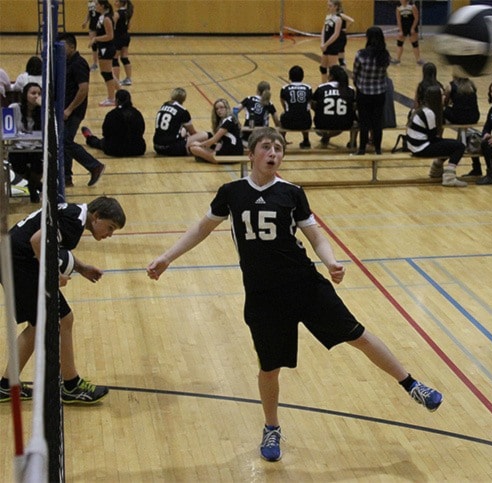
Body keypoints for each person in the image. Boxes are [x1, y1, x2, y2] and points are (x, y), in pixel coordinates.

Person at [147, 127, 443, 462]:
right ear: (251, 153)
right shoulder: (231, 192)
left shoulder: (292, 193)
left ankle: (411, 384)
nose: (273, 153)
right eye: (266, 147)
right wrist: (167, 257)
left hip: (304, 286)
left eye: (278, 148)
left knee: (357, 335)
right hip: (262, 296)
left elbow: (315, 236)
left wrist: (330, 261)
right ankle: (271, 427)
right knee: (270, 368)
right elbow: (202, 228)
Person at [0, 196, 126, 405]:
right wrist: (53, 274)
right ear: (96, 217)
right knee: (61, 320)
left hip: (13, 259)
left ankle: (8, 385)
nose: (110, 235)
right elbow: (37, 240)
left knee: (43, 324)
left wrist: (82, 267)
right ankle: (71, 385)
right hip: (18, 264)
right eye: (110, 227)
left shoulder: (74, 213)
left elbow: (50, 243)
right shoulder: (74, 222)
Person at [59, 32, 106, 187]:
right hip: (66, 109)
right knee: (64, 142)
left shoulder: (78, 63)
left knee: (65, 141)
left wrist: (69, 109)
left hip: (74, 111)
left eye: (63, 47)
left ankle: (94, 166)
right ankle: (67, 178)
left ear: (72, 47)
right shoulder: (66, 62)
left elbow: (83, 89)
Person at [407, 85, 466, 187]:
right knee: (459, 146)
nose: (444, 97)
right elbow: (433, 136)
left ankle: (436, 169)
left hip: (414, 146)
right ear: (436, 97)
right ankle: (449, 177)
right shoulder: (429, 113)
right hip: (421, 148)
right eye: (442, 95)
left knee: (449, 144)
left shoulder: (420, 109)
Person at [353, 26, 390, 155]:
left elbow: (355, 73)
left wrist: (358, 84)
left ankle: (362, 148)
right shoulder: (385, 55)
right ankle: (378, 149)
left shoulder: (361, 54)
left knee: (364, 121)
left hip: (364, 92)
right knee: (377, 122)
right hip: (379, 92)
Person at [81, 88, 146, 157]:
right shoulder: (137, 113)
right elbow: (142, 130)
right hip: (137, 149)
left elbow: (105, 133)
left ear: (117, 100)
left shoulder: (112, 114)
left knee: (99, 142)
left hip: (114, 150)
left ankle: (89, 137)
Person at [8, 82, 43, 202]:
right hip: (19, 147)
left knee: (38, 165)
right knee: (18, 164)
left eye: (39, 94)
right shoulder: (14, 108)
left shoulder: (43, 111)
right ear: (25, 95)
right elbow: (7, 129)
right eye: (33, 93)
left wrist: (44, 108)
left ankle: (33, 188)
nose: (36, 96)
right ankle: (36, 186)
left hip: (37, 146)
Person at [153, 87, 208, 156]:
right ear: (184, 99)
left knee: (184, 129)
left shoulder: (164, 105)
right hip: (172, 148)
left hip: (157, 147)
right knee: (205, 134)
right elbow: (193, 133)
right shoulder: (183, 111)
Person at [189, 98, 244, 163]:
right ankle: (209, 157)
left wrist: (200, 145)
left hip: (232, 152)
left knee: (194, 148)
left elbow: (214, 140)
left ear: (227, 108)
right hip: (227, 148)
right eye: (216, 109)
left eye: (221, 107)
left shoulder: (229, 120)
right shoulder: (223, 121)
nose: (219, 110)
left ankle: (209, 158)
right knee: (193, 145)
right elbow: (220, 142)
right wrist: (215, 150)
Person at [312, 64, 356, 146]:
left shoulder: (322, 87)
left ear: (331, 76)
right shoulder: (350, 89)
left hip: (321, 123)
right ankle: (353, 142)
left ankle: (326, 135)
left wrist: (319, 110)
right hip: (345, 124)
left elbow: (312, 103)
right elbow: (354, 106)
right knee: (354, 118)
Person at [91, 0, 119, 107]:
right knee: (108, 73)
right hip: (103, 48)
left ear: (102, 6)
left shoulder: (107, 18)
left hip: (107, 48)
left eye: (97, 4)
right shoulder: (102, 17)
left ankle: (111, 98)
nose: (95, 6)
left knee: (106, 74)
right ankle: (121, 93)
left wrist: (95, 38)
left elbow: (110, 36)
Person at [279, 65, 313, 148]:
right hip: (305, 123)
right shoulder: (308, 88)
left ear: (290, 76)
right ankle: (306, 140)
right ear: (302, 76)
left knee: (283, 114)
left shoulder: (285, 88)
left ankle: (282, 139)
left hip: (288, 122)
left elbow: (283, 103)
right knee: (305, 113)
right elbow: (310, 103)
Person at [238, 81, 280, 147]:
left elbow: (235, 110)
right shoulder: (269, 104)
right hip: (263, 136)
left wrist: (237, 123)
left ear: (257, 90)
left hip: (247, 135)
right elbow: (277, 121)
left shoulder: (249, 99)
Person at [391, 0, 423, 65]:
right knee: (399, 43)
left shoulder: (412, 6)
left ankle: (418, 60)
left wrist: (413, 28)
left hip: (411, 27)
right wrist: (400, 30)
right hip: (403, 27)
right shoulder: (398, 8)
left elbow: (416, 18)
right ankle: (397, 59)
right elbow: (398, 20)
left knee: (415, 44)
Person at [320, 0, 344, 83]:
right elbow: (323, 30)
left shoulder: (338, 19)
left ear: (336, 7)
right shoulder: (328, 16)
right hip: (325, 45)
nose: (328, 7)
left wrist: (326, 44)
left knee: (332, 70)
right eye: (328, 5)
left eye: (330, 6)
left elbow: (336, 34)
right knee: (323, 68)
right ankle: (323, 85)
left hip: (333, 45)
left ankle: (332, 87)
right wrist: (322, 43)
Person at [112, 0, 134, 86]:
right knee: (124, 57)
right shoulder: (128, 12)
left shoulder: (117, 13)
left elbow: (112, 25)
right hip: (126, 36)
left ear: (121, 3)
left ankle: (116, 81)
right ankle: (128, 78)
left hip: (118, 37)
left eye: (116, 1)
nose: (114, 2)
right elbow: (128, 26)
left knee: (115, 58)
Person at [82, 0, 99, 71]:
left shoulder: (99, 2)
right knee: (93, 45)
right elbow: (89, 13)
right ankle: (95, 63)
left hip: (100, 25)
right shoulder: (89, 3)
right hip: (92, 25)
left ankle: (106, 61)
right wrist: (85, 22)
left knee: (102, 44)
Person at [335, 2, 354, 67]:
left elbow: (351, 20)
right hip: (336, 35)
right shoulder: (333, 15)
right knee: (337, 53)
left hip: (340, 36)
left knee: (340, 54)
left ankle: (343, 68)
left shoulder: (340, 15)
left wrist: (345, 29)